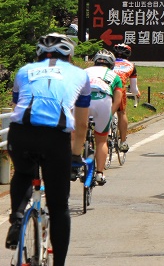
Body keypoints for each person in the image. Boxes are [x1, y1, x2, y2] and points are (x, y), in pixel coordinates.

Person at [6, 33, 91, 266]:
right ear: (70, 55)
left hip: (20, 132)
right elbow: (82, 124)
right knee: (58, 205)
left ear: (39, 54)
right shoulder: (81, 75)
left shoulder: (24, 71)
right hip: (55, 138)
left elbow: (17, 107)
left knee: (24, 173)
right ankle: (59, 263)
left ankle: (17, 217)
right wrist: (75, 156)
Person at [85, 49, 124, 185]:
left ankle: (74, 165)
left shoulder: (85, 71)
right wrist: (109, 115)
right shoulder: (114, 76)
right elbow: (118, 100)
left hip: (83, 101)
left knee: (76, 133)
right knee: (101, 140)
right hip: (103, 100)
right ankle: (99, 174)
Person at [112, 43, 138, 152]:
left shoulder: (109, 62)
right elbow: (133, 89)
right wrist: (137, 94)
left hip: (102, 86)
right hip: (119, 88)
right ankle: (123, 142)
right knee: (122, 113)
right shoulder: (131, 65)